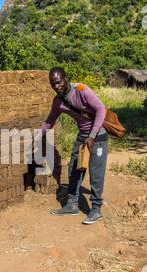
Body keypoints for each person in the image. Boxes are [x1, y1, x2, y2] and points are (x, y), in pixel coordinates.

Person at [40, 67, 108, 225]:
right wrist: (36, 138)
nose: (56, 87)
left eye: (58, 82)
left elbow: (100, 109)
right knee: (74, 170)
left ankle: (96, 209)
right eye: (52, 84)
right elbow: (49, 122)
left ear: (65, 78)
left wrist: (92, 136)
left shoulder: (82, 90)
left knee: (96, 173)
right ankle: (72, 204)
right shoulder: (58, 102)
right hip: (83, 137)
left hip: (98, 137)